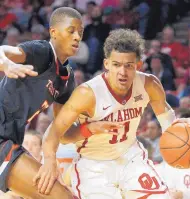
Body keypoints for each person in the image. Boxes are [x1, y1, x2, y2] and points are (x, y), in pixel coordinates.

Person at [38, 29, 190, 199]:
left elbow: (168, 121)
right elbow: (57, 134)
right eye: (116, 65)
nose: (122, 72)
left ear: (138, 65)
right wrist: (88, 130)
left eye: (128, 65)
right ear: (107, 64)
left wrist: (182, 128)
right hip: (94, 165)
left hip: (131, 157)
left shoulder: (149, 85)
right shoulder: (87, 94)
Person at [0, 6, 118, 199]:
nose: (77, 37)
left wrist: (91, 128)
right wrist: (6, 64)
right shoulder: (42, 51)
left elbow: (63, 134)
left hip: (10, 140)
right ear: (53, 32)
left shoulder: (67, 79)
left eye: (80, 32)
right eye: (71, 31)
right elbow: (4, 50)